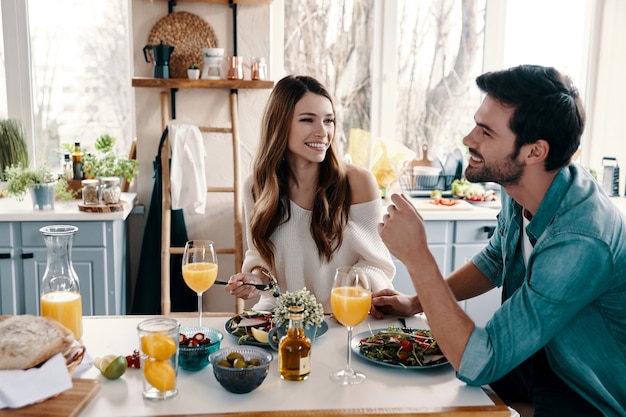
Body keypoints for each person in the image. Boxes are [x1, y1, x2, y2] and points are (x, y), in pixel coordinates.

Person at [373, 65, 626, 416]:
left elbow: (479, 362)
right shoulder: (519, 185)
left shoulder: (581, 239)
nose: (468, 139)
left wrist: (418, 257)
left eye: (486, 132)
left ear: (534, 151)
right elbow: (496, 260)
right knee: (419, 383)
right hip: (541, 355)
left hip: (586, 386)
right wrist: (415, 302)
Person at [225, 75, 395, 312]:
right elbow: (260, 258)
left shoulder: (358, 183)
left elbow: (378, 265)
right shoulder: (256, 186)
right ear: (280, 125)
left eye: (329, 120)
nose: (323, 132)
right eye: (308, 120)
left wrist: (353, 288)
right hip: (278, 316)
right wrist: (256, 279)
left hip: (340, 316)